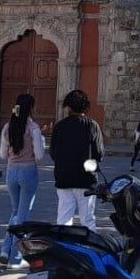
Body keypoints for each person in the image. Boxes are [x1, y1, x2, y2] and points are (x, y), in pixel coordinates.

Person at [0, 93, 45, 269]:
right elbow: (39, 156)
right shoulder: (33, 128)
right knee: (23, 216)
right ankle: (17, 256)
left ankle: (5, 250)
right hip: (28, 172)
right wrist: (41, 142)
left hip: (11, 172)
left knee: (15, 212)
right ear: (31, 108)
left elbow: (2, 154)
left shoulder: (7, 127)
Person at [50, 89, 104, 231]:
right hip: (86, 180)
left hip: (64, 179)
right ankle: (91, 250)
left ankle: (63, 249)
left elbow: (53, 153)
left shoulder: (60, 127)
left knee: (63, 220)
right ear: (85, 107)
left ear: (69, 107)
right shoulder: (92, 125)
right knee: (88, 220)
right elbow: (99, 154)